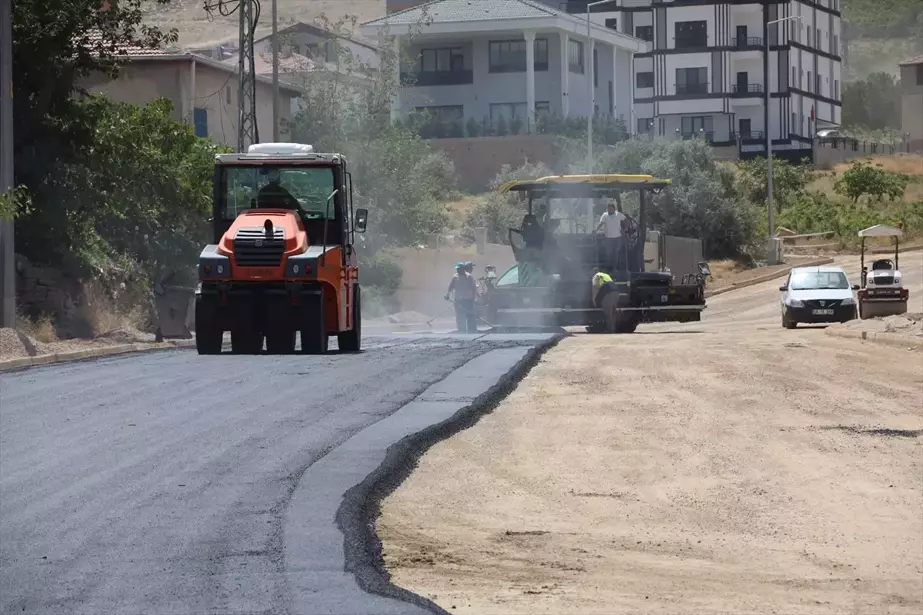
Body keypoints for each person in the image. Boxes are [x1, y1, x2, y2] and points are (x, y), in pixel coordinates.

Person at [445, 262, 477, 333]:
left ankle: (472, 331)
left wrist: (474, 297)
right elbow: (451, 287)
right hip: (458, 300)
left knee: (470, 316)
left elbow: (473, 288)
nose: (458, 270)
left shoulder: (469, 277)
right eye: (457, 269)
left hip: (468, 300)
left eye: (459, 269)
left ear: (463, 269)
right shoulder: (455, 277)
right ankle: (461, 330)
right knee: (460, 316)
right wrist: (448, 294)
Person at [595, 201, 626, 271]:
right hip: (608, 238)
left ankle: (614, 268)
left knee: (615, 254)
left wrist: (625, 229)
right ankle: (607, 269)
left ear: (614, 209)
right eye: (608, 209)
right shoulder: (605, 215)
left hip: (617, 238)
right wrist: (596, 230)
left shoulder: (618, 214)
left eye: (610, 209)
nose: (609, 210)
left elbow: (626, 220)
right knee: (608, 254)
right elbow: (601, 223)